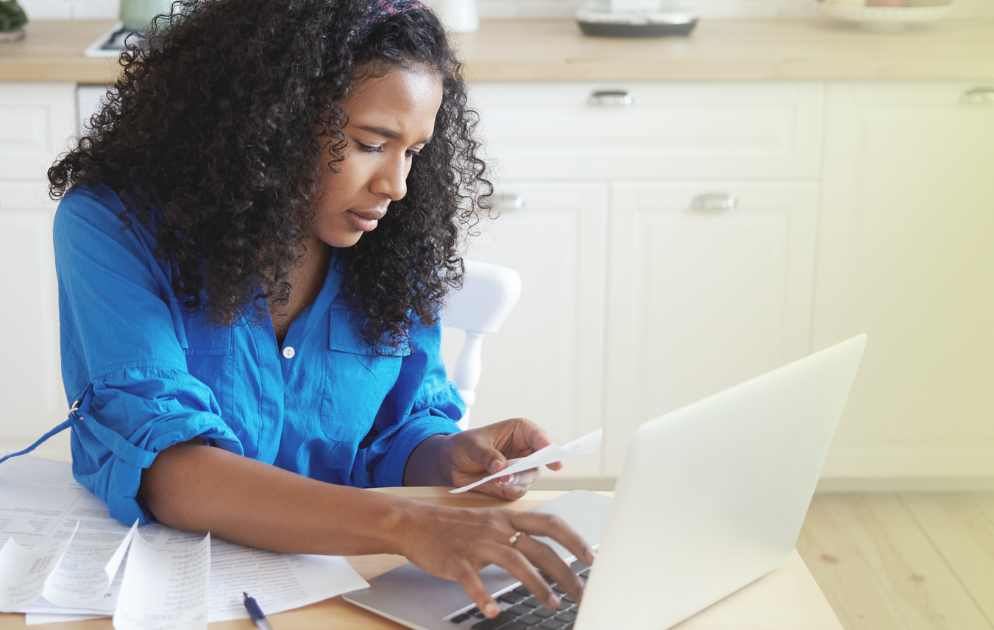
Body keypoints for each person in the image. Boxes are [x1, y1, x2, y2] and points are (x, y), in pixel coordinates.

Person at [41, 0, 590, 619]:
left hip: (343, 586)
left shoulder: (387, 245)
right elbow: (171, 471)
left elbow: (392, 434)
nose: (397, 184)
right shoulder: (112, 225)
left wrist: (447, 457)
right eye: (370, 144)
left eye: (412, 152)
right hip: (172, 592)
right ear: (271, 119)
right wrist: (405, 524)